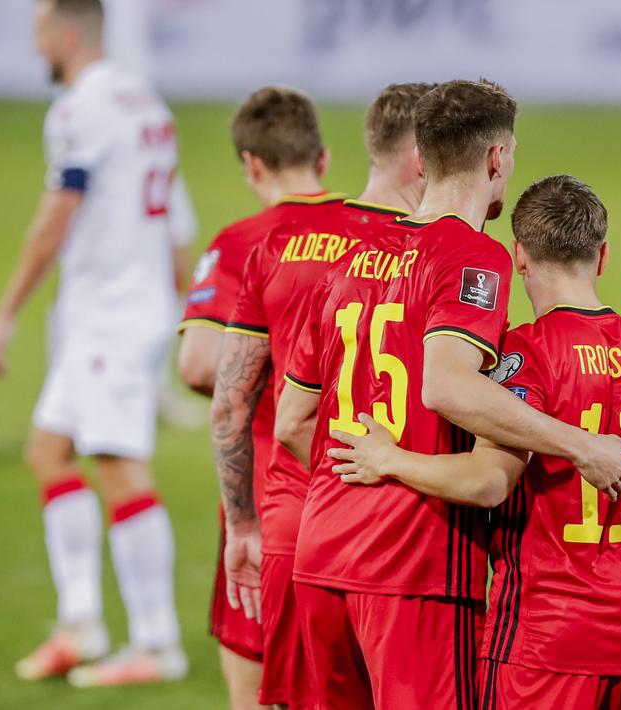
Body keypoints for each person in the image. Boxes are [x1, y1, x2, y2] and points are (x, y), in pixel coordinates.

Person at [272, 80, 621, 709]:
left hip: (322, 555)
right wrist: (582, 446)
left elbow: (291, 420)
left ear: (421, 157)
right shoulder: (473, 256)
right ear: (498, 159)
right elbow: (446, 386)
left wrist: (363, 480)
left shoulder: (345, 259)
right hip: (414, 567)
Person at [326, 174, 621, 709]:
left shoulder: (524, 354)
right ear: (603, 256)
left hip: (542, 638)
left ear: (519, 257)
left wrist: (389, 460)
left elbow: (486, 482)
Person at [180, 82, 424, 709]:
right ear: (323, 157)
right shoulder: (397, 241)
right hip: (394, 501)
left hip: (278, 497)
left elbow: (202, 369)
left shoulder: (254, 241)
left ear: (251, 164)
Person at [0, 0, 192, 686]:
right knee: (48, 450)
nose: (37, 47)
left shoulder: (79, 109)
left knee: (117, 467)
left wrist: (6, 310)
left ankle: (157, 643)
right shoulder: (146, 104)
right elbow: (174, 218)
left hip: (111, 314)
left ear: (70, 33)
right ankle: (80, 623)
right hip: (123, 309)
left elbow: (57, 214)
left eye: (41, 33)